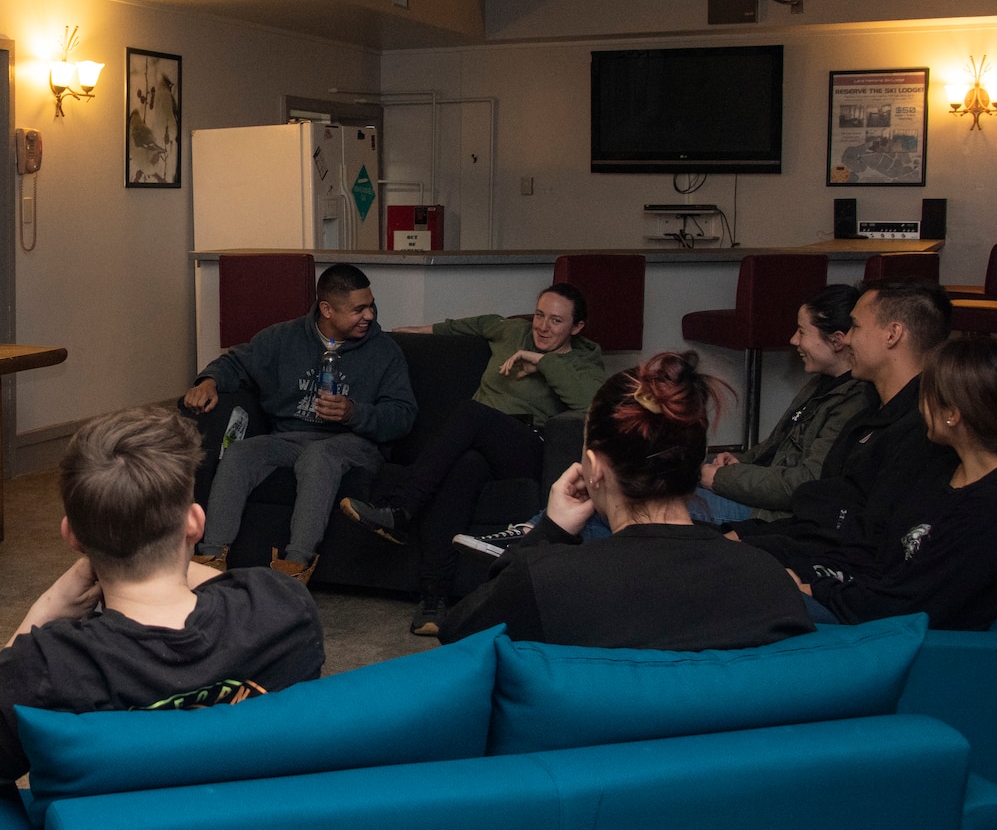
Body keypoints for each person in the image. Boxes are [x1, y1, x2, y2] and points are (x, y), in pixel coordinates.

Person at [0, 406, 326, 785]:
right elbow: (230, 584)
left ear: (72, 536)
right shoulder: (284, 607)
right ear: (195, 523)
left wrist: (44, 609)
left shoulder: (48, 665)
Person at [442, 352, 814, 650]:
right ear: (693, 462)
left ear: (592, 468)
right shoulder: (768, 579)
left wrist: (548, 533)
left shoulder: (550, 581)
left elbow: (459, 635)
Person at [339, 283, 605, 636]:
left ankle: (400, 509)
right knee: (463, 468)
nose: (542, 327)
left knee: (471, 413)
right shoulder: (511, 330)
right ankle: (433, 599)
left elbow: (591, 402)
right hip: (478, 447)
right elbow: (461, 327)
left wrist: (541, 361)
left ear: (577, 327)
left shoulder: (584, 359)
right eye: (539, 315)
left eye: (556, 321)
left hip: (526, 447)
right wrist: (407, 334)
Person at [791, 334, 997, 630]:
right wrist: (809, 576)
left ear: (952, 414)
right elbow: (881, 552)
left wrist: (814, 590)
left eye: (925, 394)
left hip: (887, 631)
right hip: (856, 596)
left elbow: (911, 606)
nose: (919, 407)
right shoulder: (944, 469)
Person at [182, 264, 416, 583]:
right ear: (327, 309)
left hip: (355, 442)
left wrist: (353, 413)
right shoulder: (283, 338)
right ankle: (209, 561)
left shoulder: (385, 353)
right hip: (289, 438)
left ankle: (294, 569)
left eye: (370, 306)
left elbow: (403, 415)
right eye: (358, 309)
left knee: (318, 457)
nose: (369, 316)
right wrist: (208, 381)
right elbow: (234, 361)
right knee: (240, 454)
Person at [733, 276, 955, 569]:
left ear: (893, 335)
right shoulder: (870, 416)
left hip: (824, 577)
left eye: (857, 327)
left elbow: (856, 545)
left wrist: (749, 546)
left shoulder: (921, 432)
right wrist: (743, 537)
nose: (847, 339)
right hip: (799, 546)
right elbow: (821, 517)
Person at [696, 284, 877, 522]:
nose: (793, 340)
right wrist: (740, 461)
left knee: (660, 506)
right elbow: (775, 445)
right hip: (766, 491)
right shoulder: (821, 382)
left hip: (777, 515)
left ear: (836, 341)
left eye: (802, 332)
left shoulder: (853, 401)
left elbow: (805, 483)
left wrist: (722, 479)